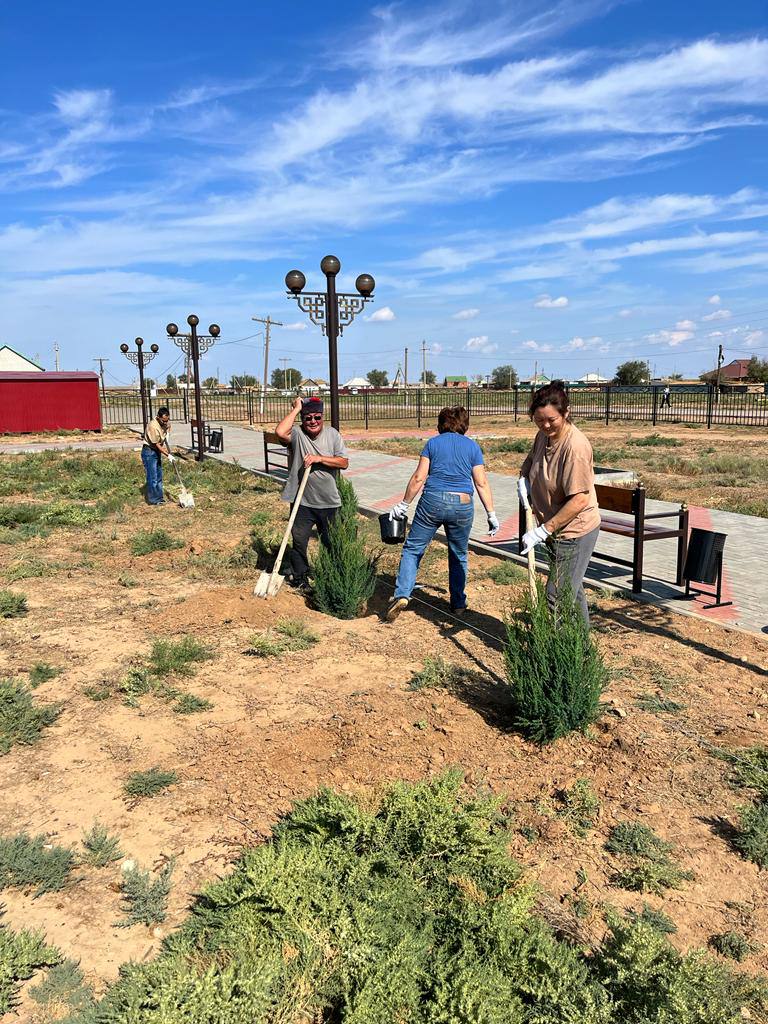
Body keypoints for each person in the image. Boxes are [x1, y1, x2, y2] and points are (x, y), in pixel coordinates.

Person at [385, 406, 499, 622]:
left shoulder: (433, 444)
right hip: (462, 505)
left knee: (413, 548)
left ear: (441, 424)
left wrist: (404, 504)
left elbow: (419, 477)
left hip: (433, 502)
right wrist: (491, 513)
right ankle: (458, 603)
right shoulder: (473, 447)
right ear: (464, 424)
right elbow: (481, 482)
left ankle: (401, 594)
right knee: (459, 553)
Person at [518, 381, 600, 624]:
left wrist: (545, 530)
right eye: (539, 420)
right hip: (555, 528)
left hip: (575, 530)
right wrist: (523, 482)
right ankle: (581, 652)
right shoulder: (543, 436)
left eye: (551, 420)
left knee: (557, 594)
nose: (545, 425)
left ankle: (559, 652)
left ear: (566, 413)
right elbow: (531, 460)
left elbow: (580, 499)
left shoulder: (575, 447)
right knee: (572, 593)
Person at [275, 396, 349, 590]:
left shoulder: (333, 435)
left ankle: (331, 576)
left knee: (331, 543)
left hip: (330, 502)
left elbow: (343, 462)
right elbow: (280, 432)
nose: (313, 421)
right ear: (302, 419)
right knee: (299, 542)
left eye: (317, 417)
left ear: (322, 416)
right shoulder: (298, 434)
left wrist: (319, 458)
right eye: (308, 418)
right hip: (302, 502)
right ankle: (300, 578)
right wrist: (296, 409)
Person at [142, 407, 175, 505]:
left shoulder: (165, 422)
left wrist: (167, 434)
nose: (165, 422)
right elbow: (156, 444)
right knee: (153, 478)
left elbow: (169, 426)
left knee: (159, 476)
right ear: (158, 417)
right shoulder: (153, 426)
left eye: (167, 420)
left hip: (156, 451)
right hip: (149, 452)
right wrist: (168, 455)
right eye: (163, 420)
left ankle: (159, 498)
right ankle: (153, 500)